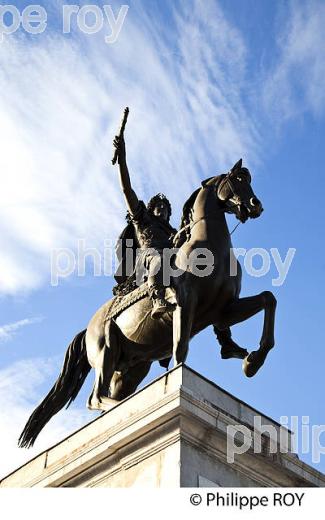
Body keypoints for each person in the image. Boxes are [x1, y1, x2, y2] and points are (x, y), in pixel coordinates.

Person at [112, 134, 177, 319]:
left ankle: (224, 337)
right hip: (148, 258)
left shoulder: (172, 231)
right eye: (158, 205)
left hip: (171, 259)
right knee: (157, 256)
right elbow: (126, 189)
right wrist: (122, 161)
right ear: (150, 208)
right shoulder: (143, 218)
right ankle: (157, 296)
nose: (162, 208)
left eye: (165, 207)